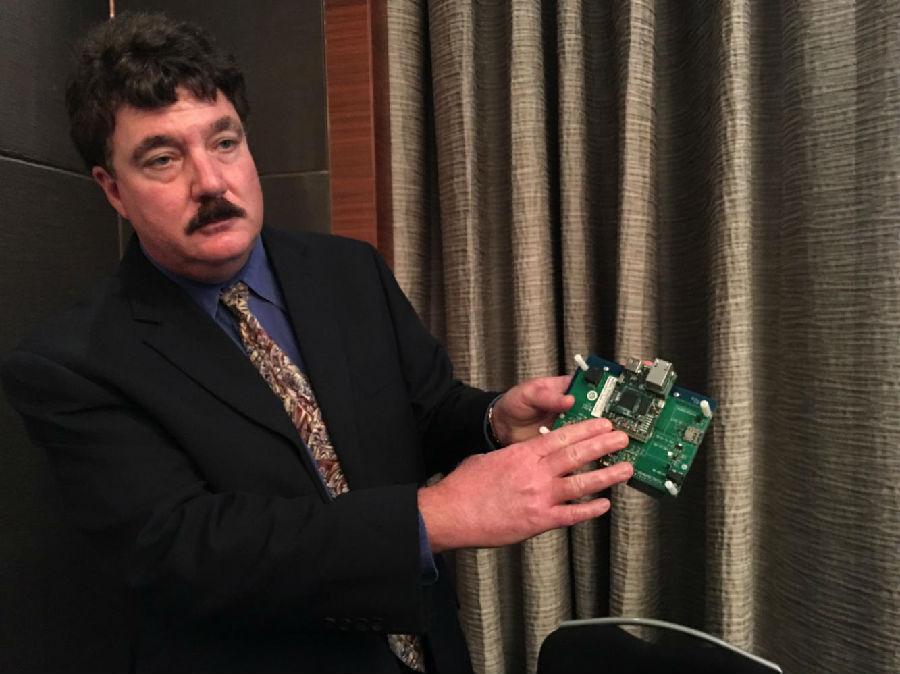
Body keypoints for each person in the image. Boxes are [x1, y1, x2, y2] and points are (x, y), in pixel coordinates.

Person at [1, 12, 633, 674]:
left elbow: (423, 411)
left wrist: (493, 419)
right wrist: (434, 517)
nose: (210, 181)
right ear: (113, 190)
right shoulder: (71, 363)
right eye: (163, 159)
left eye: (224, 142)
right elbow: (187, 551)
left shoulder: (347, 270)